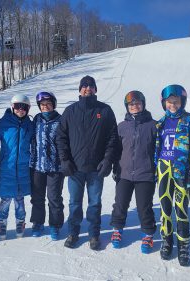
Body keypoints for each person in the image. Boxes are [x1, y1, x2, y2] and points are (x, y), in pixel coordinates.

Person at [56, 75, 118, 250]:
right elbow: (61, 138)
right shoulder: (70, 111)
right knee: (74, 203)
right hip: (74, 168)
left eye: (91, 85)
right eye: (84, 86)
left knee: (94, 203)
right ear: (80, 90)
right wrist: (65, 160)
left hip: (96, 168)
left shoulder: (105, 111)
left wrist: (107, 161)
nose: (87, 88)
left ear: (95, 89)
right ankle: (73, 233)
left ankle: (93, 235)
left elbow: (112, 139)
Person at [155, 84, 190, 266]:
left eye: (176, 101)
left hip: (181, 170)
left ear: (182, 102)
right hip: (163, 168)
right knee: (165, 207)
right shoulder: (160, 122)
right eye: (169, 102)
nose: (172, 105)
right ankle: (167, 241)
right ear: (164, 103)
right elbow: (155, 148)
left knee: (181, 208)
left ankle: (184, 246)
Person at [110, 91, 157, 253]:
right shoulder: (122, 127)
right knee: (120, 203)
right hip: (124, 173)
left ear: (143, 104)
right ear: (127, 107)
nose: (135, 106)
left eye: (137, 103)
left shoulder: (153, 125)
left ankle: (148, 234)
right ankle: (117, 230)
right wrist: (115, 168)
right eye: (131, 104)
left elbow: (159, 150)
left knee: (144, 206)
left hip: (146, 174)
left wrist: (157, 170)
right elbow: (116, 150)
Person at [0, 94, 34, 240]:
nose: (21, 110)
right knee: (5, 199)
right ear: (12, 107)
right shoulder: (4, 123)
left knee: (19, 198)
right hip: (7, 168)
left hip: (23, 168)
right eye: (17, 106)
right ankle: (2, 224)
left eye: (24, 107)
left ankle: (20, 223)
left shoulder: (30, 124)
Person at [30, 91, 64, 240]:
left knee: (54, 197)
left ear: (53, 105)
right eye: (42, 105)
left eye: (48, 104)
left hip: (55, 167)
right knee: (37, 197)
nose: (45, 107)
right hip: (37, 166)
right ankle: (38, 222)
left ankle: (55, 225)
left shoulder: (61, 121)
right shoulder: (36, 119)